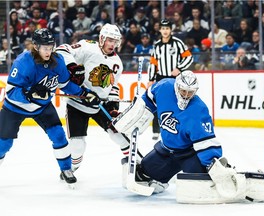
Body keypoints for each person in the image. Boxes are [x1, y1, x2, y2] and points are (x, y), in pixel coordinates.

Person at [114, 70, 264, 202]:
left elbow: (207, 144)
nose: (186, 95)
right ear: (176, 86)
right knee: (143, 174)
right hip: (166, 150)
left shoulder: (199, 110)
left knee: (208, 185)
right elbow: (148, 100)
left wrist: (212, 164)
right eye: (183, 90)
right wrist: (137, 114)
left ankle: (250, 186)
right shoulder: (164, 86)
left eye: (190, 92)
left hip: (190, 155)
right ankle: (161, 178)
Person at [0, 28, 99, 186]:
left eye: (51, 46)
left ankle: (66, 169)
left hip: (42, 107)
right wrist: (29, 95)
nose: (49, 51)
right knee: (4, 144)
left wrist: (84, 93)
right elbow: (11, 92)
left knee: (58, 135)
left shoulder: (57, 61)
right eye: (45, 48)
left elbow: (65, 84)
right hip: (15, 108)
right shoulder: (23, 62)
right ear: (36, 46)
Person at [55, 23, 134, 174]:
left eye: (115, 41)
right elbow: (61, 50)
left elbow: (113, 87)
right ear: (102, 38)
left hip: (98, 105)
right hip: (77, 103)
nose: (113, 44)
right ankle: (71, 168)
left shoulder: (117, 63)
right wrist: (72, 66)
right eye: (110, 40)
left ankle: (135, 162)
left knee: (118, 135)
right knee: (77, 146)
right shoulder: (88, 46)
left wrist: (113, 108)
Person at [147, 19, 193, 140]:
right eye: (163, 28)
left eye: (167, 28)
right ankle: (156, 131)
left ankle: (180, 128)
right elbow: (153, 64)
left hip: (175, 78)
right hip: (161, 77)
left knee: (178, 103)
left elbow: (189, 58)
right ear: (160, 30)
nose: (165, 31)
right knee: (158, 103)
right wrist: (151, 79)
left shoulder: (178, 43)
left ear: (171, 30)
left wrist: (179, 68)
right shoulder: (157, 45)